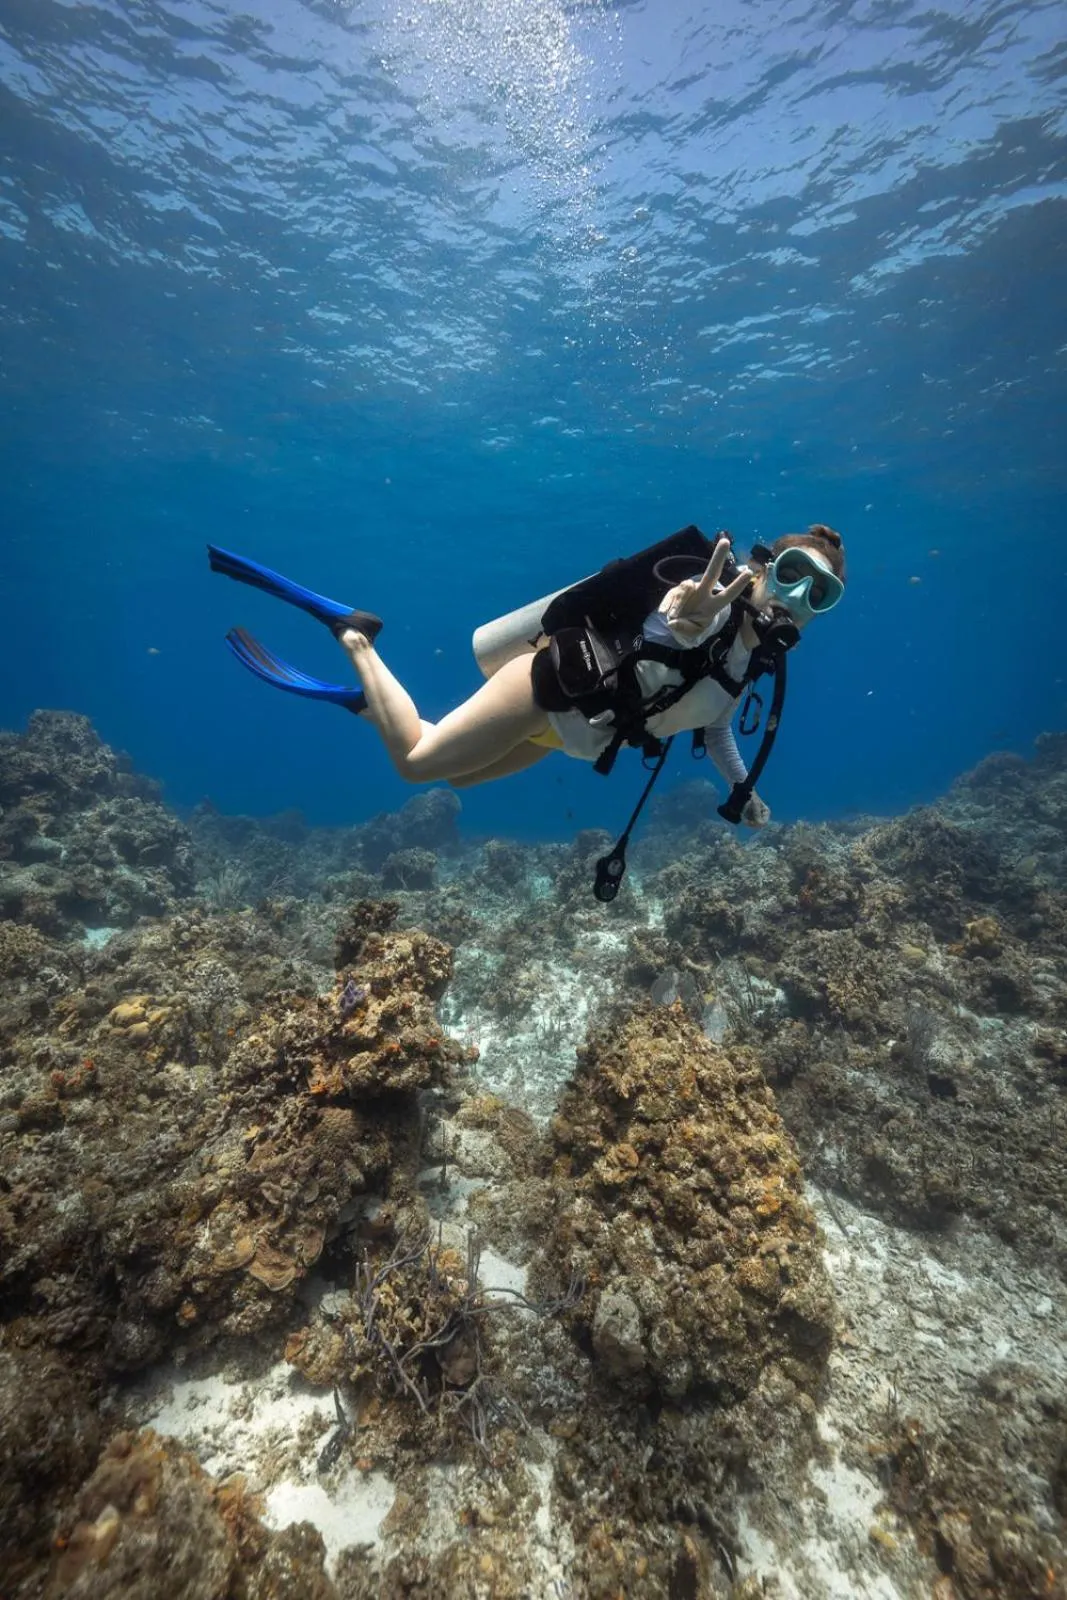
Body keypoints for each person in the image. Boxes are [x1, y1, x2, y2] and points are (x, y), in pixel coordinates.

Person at [208, 524, 845, 831]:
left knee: (457, 777)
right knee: (416, 764)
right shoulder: (710, 605)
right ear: (762, 569)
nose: (799, 596)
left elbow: (716, 728)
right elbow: (675, 617)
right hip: (546, 689)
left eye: (822, 593)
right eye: (792, 572)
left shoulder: (752, 663)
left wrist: (744, 789)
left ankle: (370, 704)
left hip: (567, 739)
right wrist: (684, 613)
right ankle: (356, 636)